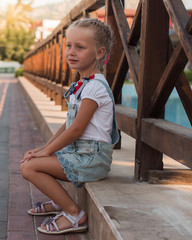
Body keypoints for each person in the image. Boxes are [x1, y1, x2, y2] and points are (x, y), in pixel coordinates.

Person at [20, 18, 119, 235]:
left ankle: (74, 213)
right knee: (34, 159)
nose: (71, 52)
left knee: (29, 167)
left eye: (80, 47)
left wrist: (47, 151)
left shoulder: (95, 87)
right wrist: (43, 148)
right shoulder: (83, 84)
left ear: (100, 53)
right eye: (68, 45)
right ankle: (59, 202)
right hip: (82, 152)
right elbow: (69, 124)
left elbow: (77, 130)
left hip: (93, 159)